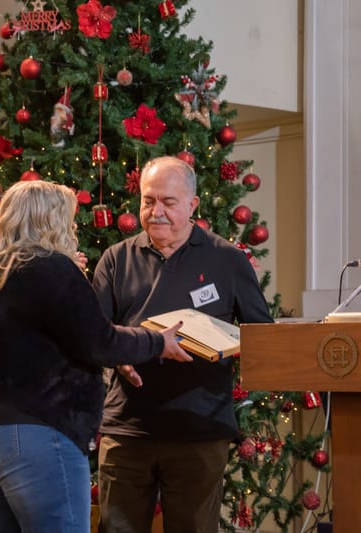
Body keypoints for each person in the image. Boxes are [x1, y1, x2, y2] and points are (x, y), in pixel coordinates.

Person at [0, 180, 192, 533]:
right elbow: (99, 341)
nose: (73, 227)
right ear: (49, 220)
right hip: (34, 431)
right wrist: (155, 342)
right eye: (68, 219)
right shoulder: (50, 268)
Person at [93, 156, 274, 533]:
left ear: (192, 205)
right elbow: (94, 335)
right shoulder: (115, 259)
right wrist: (119, 358)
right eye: (147, 201)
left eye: (168, 202)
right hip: (127, 431)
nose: (155, 211)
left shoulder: (227, 259)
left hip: (199, 430)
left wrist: (225, 346)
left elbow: (262, 335)